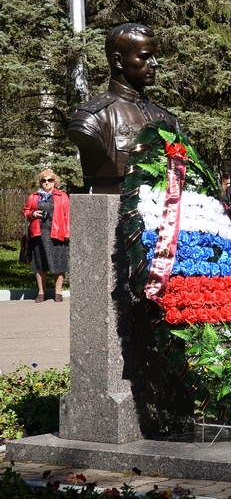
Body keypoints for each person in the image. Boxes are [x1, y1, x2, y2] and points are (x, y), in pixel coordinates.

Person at [66, 23, 179, 194]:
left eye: (154, 56)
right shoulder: (92, 119)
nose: (154, 64)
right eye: (145, 56)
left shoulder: (166, 118)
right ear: (118, 61)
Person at [22, 170, 70, 302]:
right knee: (39, 264)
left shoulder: (62, 196)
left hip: (57, 233)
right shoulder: (34, 196)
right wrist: (32, 214)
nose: (47, 182)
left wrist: (67, 233)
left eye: (50, 180)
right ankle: (41, 293)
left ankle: (58, 292)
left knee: (58, 263)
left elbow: (67, 216)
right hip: (38, 233)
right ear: (40, 182)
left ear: (55, 182)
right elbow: (25, 211)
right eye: (44, 180)